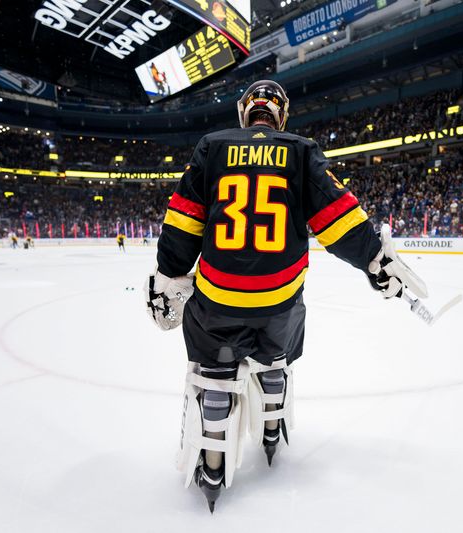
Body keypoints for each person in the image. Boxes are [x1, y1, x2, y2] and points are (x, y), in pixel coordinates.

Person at [144, 80, 427, 512]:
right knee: (277, 343)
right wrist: (374, 259)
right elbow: (336, 217)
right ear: (281, 114)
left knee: (214, 360)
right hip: (280, 299)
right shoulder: (300, 149)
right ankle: (272, 403)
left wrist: (168, 273)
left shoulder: (212, 146)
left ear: (245, 112)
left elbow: (184, 221)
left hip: (218, 297)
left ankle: (214, 447)